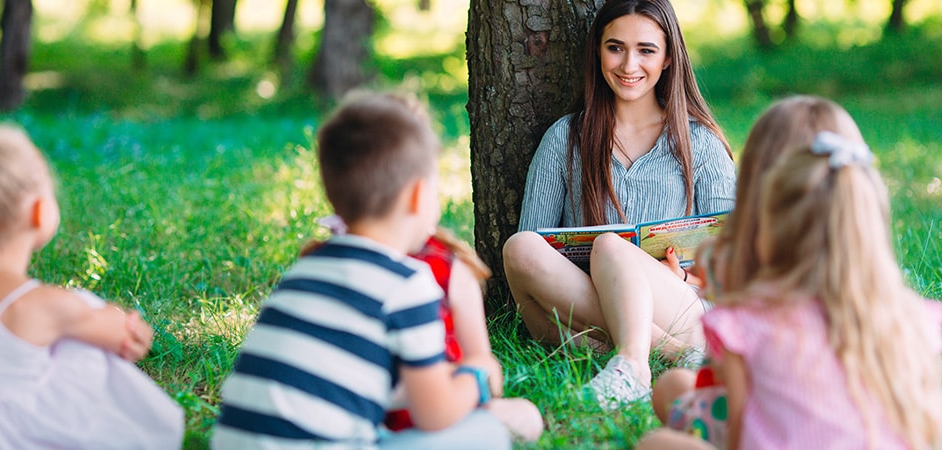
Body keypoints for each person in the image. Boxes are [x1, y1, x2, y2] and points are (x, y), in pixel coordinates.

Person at [211, 92, 511, 449]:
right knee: (488, 433)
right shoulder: (407, 284)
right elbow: (437, 413)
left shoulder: (302, 274)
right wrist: (476, 375)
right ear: (418, 195)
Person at [641, 100, 942, 449]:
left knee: (656, 442)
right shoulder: (926, 321)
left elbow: (738, 439)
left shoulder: (743, 324)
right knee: (675, 387)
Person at [502, 0, 736, 409]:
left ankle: (631, 364)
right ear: (598, 51)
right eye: (616, 47)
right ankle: (664, 353)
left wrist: (685, 279)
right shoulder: (565, 139)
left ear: (667, 59)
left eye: (646, 50)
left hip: (681, 306)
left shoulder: (700, 142)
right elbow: (536, 248)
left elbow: (734, 263)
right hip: (587, 295)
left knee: (611, 245)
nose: (629, 64)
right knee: (518, 247)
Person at [0, 126, 184, 449]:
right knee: (83, 324)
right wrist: (122, 322)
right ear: (39, 212)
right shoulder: (42, 305)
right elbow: (124, 333)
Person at [385, 228, 545, 443]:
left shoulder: (326, 261)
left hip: (346, 421)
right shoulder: (440, 265)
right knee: (524, 417)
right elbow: (436, 411)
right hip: (427, 421)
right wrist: (473, 381)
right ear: (418, 197)